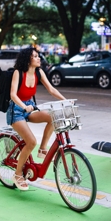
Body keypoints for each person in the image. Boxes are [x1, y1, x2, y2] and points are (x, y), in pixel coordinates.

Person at [7, 47, 67, 191]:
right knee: (31, 141)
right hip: (16, 110)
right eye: (35, 56)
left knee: (53, 117)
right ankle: (17, 174)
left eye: (38, 55)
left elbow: (51, 90)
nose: (39, 58)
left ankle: (43, 149)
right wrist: (23, 106)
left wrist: (66, 101)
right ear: (28, 59)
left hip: (30, 107)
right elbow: (13, 95)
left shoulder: (39, 72)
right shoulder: (18, 73)